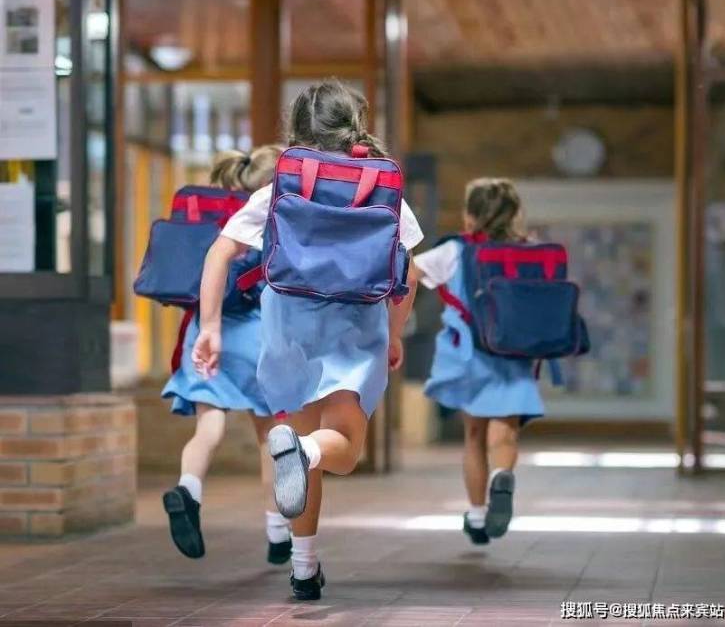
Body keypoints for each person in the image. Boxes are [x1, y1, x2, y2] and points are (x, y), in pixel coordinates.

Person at [192, 79, 423, 600]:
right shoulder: (381, 186)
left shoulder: (281, 185)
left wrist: (210, 327)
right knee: (341, 447)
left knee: (299, 449)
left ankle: (303, 567)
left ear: (296, 126)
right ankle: (305, 453)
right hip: (355, 327)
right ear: (354, 123)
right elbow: (408, 271)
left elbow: (220, 252)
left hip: (288, 328)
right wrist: (393, 332)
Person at [162, 145, 295, 566]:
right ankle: (278, 533)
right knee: (268, 436)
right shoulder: (270, 213)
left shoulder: (214, 218)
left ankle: (188, 489)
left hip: (206, 330)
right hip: (256, 333)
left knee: (209, 427)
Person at [414, 178, 544, 546]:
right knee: (505, 430)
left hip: (469, 354)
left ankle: (475, 514)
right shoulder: (528, 250)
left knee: (474, 434)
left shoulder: (454, 251)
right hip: (514, 353)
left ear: (470, 216)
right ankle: (502, 475)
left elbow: (408, 275)